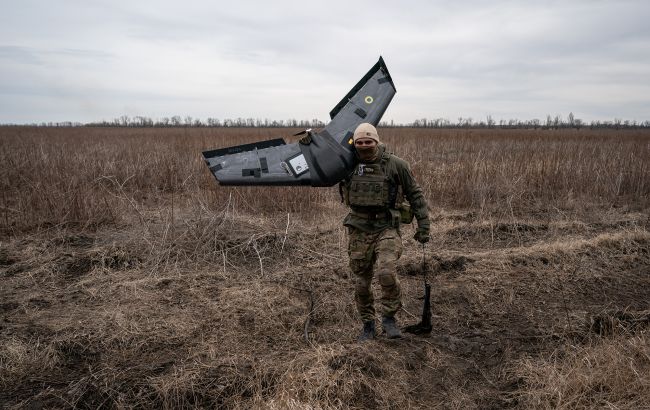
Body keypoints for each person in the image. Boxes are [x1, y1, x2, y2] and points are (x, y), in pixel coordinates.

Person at [340, 123, 430, 341]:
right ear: (354, 143)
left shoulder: (396, 165)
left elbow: (415, 194)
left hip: (386, 227)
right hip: (359, 229)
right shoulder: (346, 164)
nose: (364, 146)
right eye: (360, 142)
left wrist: (424, 225)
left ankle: (389, 318)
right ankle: (368, 325)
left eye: (368, 141)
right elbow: (319, 173)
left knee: (386, 272)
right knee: (361, 283)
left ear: (377, 141)